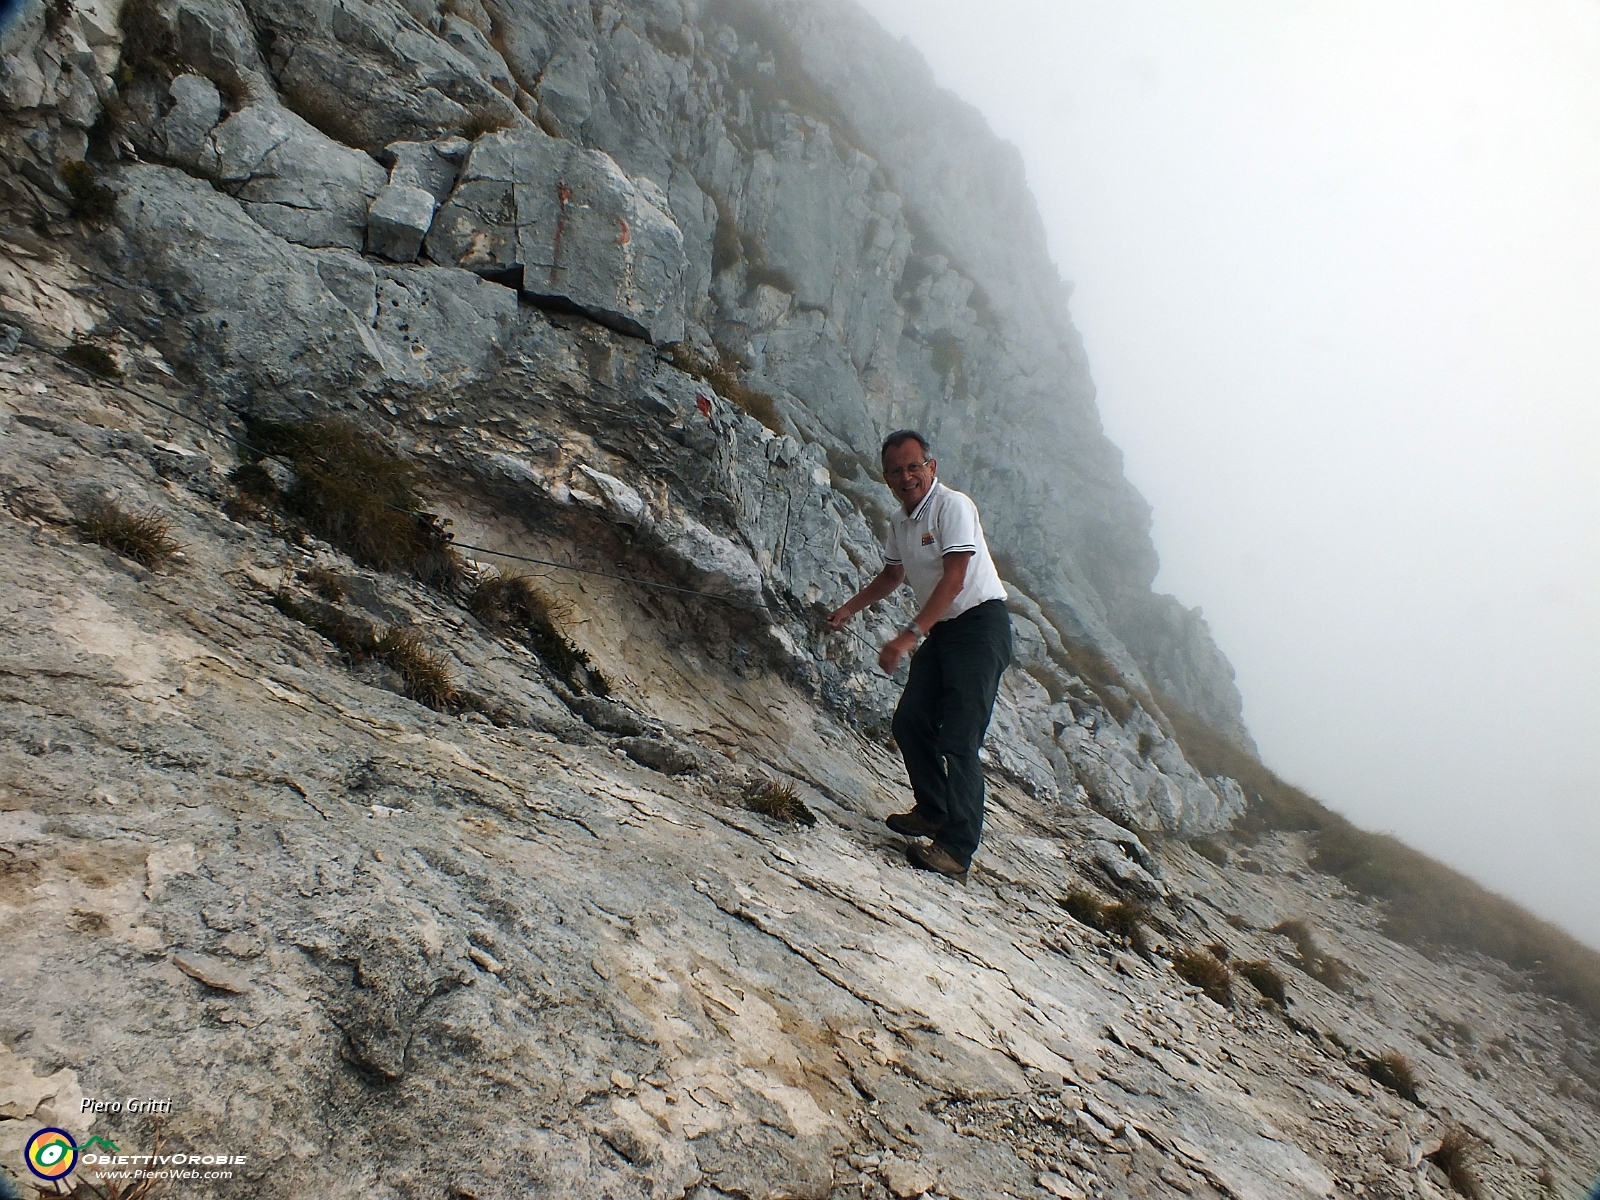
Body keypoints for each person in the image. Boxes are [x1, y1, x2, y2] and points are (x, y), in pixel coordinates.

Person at [827, 430, 1012, 883]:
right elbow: (892, 575)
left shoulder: (953, 506)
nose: (905, 476)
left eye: (914, 466)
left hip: (980, 626)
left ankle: (956, 849)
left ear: (932, 467)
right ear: (886, 477)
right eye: (895, 470)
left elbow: (954, 579)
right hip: (944, 631)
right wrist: (850, 608)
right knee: (910, 721)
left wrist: (907, 637)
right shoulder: (900, 522)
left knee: (959, 740)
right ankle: (933, 811)